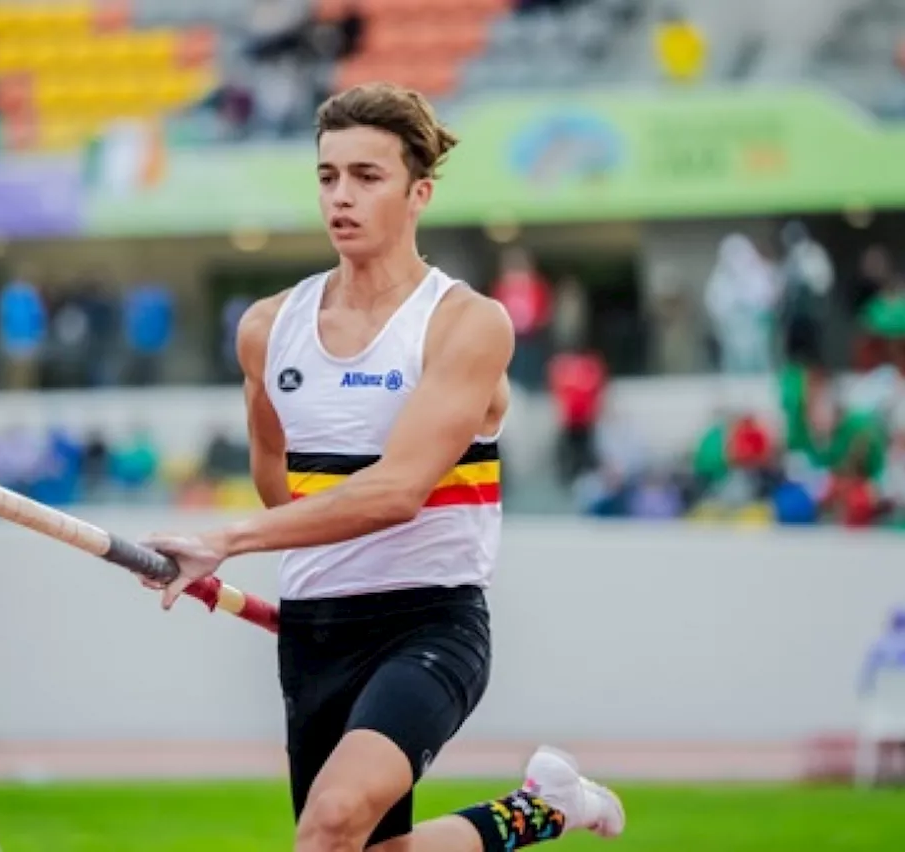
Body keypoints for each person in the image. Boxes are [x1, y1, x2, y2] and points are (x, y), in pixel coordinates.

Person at [141, 83, 625, 852]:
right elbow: (280, 478)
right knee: (355, 849)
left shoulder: (465, 322)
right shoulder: (268, 329)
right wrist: (311, 553)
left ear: (419, 192)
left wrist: (225, 541)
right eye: (328, 175)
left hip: (428, 623)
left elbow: (400, 491)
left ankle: (546, 809)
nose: (342, 195)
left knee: (328, 826)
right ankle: (545, 810)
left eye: (367, 177)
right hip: (315, 630)